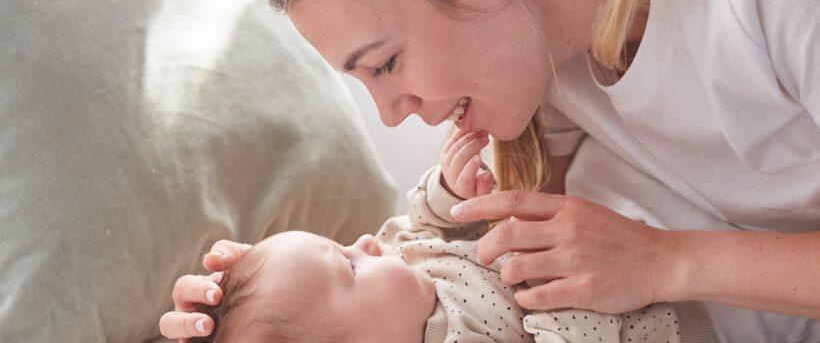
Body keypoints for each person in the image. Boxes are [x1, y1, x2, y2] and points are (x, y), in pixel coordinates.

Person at [160, 0, 820, 342]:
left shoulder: (774, 5)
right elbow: (444, 257)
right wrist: (267, 302)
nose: (390, 112)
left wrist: (664, 261)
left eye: (385, 63)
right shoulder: (538, 87)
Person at [183, 129, 696, 343]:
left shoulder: (404, 260)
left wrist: (451, 192)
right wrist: (558, 300)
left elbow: (427, 224)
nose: (365, 243)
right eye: (349, 265)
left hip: (643, 270)